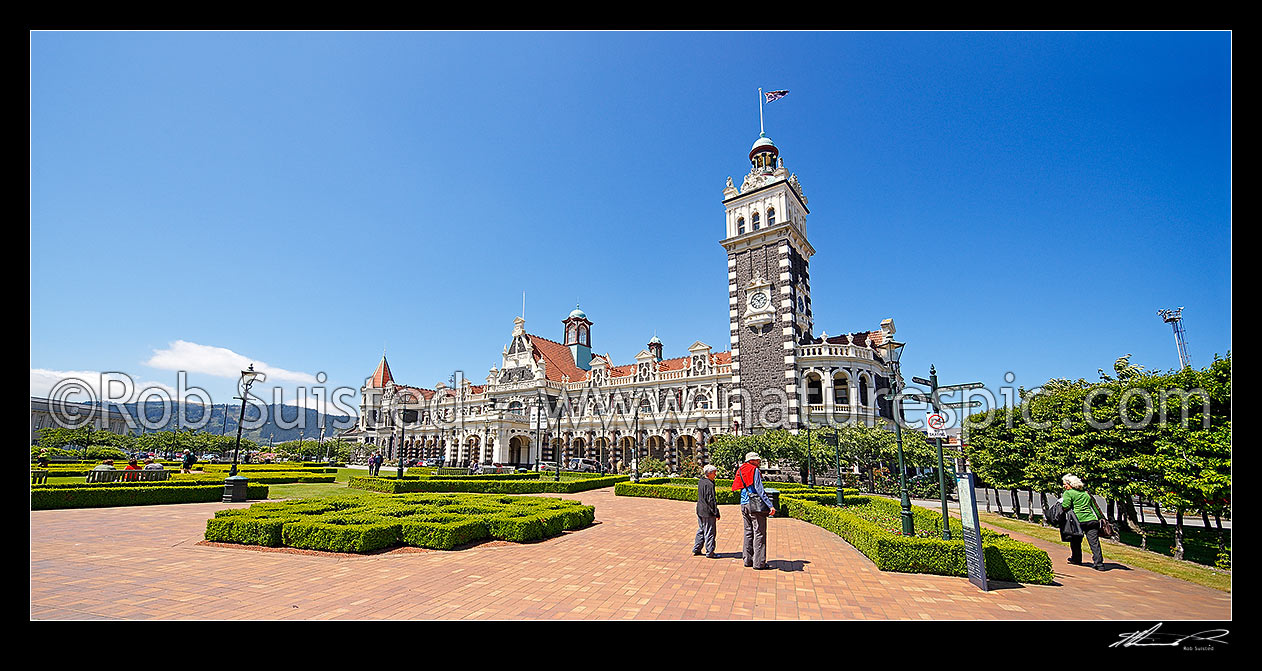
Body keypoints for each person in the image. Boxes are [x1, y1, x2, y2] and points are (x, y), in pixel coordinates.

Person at [732, 452, 776, 569]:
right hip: (755, 505)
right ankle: (759, 563)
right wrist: (770, 505)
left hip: (743, 503)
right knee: (759, 532)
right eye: (757, 460)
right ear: (751, 461)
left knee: (748, 532)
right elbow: (759, 489)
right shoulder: (754, 470)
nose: (759, 461)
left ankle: (747, 560)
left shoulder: (741, 470)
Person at [1061, 474, 1105, 570]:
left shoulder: (1068, 493)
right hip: (1092, 520)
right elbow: (1095, 507)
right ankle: (1099, 564)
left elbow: (1066, 505)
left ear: (1071, 484)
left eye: (1065, 484)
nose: (1064, 486)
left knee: (1075, 541)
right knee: (1094, 543)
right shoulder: (1086, 493)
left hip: (1078, 521)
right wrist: (1100, 518)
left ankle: (1076, 559)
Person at [693, 464, 721, 558]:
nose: (715, 475)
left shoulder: (701, 481)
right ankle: (710, 552)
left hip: (700, 509)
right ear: (709, 474)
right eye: (714, 473)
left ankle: (697, 548)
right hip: (707, 511)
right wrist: (716, 512)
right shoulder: (709, 484)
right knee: (710, 531)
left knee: (701, 529)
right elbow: (711, 499)